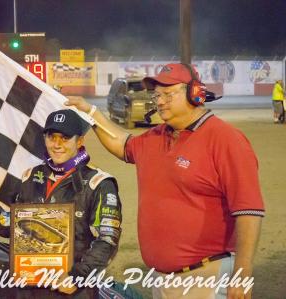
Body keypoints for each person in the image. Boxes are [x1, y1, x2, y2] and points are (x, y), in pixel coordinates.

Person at [66, 63, 265, 299]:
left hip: (208, 277)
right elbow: (121, 143)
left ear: (195, 93)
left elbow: (248, 210)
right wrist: (91, 113)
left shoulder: (226, 139)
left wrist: (243, 270)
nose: (160, 102)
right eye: (157, 95)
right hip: (161, 281)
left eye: (168, 94)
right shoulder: (156, 136)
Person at [0, 109, 122, 295]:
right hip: (30, 286)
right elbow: (20, 230)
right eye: (52, 137)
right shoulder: (31, 177)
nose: (57, 144)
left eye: (65, 138)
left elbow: (107, 241)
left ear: (79, 141)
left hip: (74, 289)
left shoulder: (99, 183)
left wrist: (77, 276)